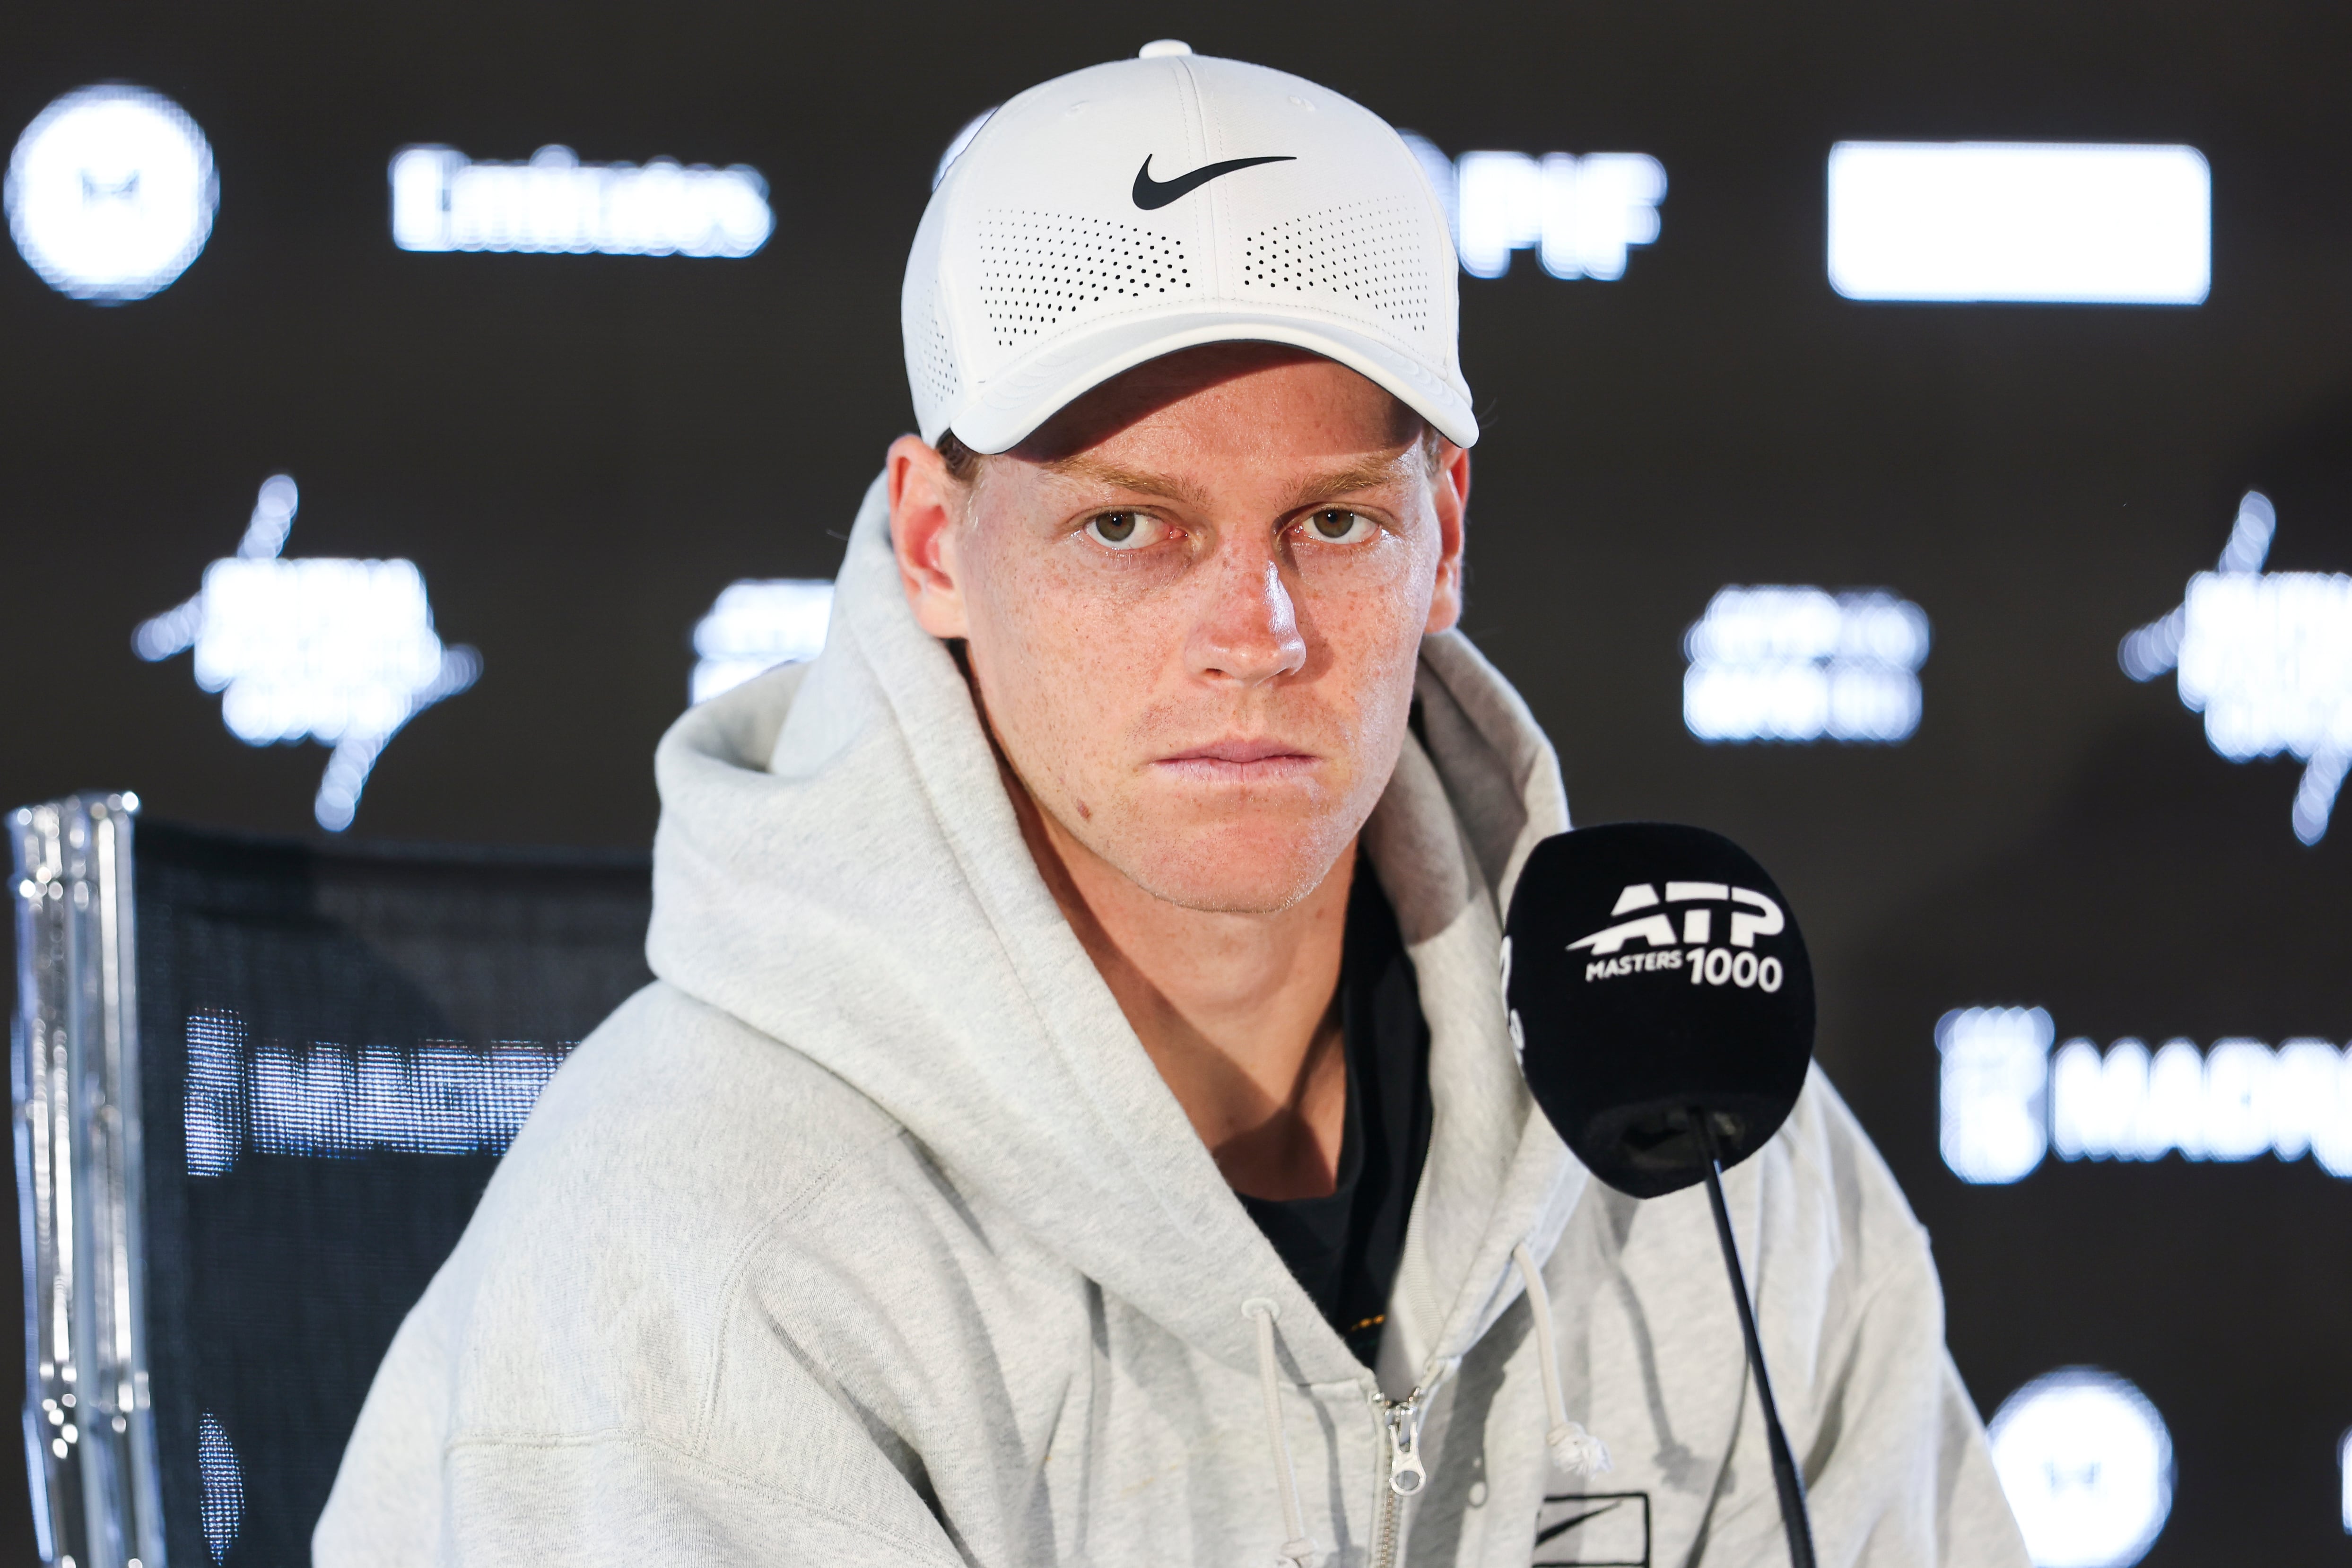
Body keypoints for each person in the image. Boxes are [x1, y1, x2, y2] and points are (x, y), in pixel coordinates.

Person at [317, 44, 2029, 1568]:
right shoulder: (700, 1243)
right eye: (1130, 526)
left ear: (1447, 531)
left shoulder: (1699, 1146)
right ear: (935, 543)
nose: (1259, 635)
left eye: (1334, 521)